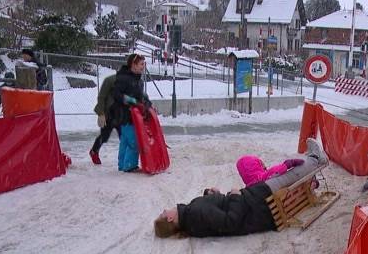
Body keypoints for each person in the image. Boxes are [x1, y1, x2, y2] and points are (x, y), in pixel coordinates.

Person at [154, 139, 329, 238]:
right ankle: (315, 159)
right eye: (163, 214)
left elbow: (216, 212)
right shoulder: (195, 213)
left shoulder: (193, 216)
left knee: (284, 176)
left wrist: (210, 194)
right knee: (289, 176)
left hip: (256, 203)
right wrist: (236, 196)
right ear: (170, 219)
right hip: (258, 203)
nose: (164, 210)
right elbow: (230, 222)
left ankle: (310, 159)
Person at [110, 53, 151, 172]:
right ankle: (129, 165)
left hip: (133, 115)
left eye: (144, 64)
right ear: (133, 65)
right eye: (141, 64)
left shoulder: (138, 80)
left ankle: (122, 165)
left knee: (125, 140)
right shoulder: (124, 78)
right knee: (134, 141)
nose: (143, 67)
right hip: (125, 114)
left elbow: (142, 96)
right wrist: (132, 102)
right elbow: (117, 94)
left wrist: (148, 105)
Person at [89, 74, 120, 165]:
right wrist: (101, 114)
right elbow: (101, 97)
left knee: (125, 136)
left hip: (121, 114)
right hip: (109, 113)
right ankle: (94, 151)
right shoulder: (110, 80)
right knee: (104, 135)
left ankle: (125, 159)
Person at [236, 155, 305, 187]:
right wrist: (288, 164)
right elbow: (272, 172)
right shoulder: (260, 179)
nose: (265, 166)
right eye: (261, 164)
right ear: (255, 166)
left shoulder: (248, 188)